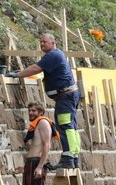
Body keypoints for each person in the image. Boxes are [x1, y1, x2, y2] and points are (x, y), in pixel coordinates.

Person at [8, 33, 81, 169]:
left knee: (65, 126)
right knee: (71, 127)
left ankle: (68, 158)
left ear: (53, 43)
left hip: (65, 97)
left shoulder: (53, 55)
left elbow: (36, 68)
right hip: (68, 96)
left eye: (45, 42)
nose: (42, 44)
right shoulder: (56, 55)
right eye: (40, 42)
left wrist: (18, 74)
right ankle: (74, 157)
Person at [16, 102, 53, 185]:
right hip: (31, 163)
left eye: (33, 111)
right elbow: (35, 147)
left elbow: (46, 145)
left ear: (41, 112)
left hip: (37, 162)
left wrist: (40, 166)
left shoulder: (43, 123)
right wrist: (25, 166)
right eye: (29, 110)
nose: (30, 113)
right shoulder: (36, 124)